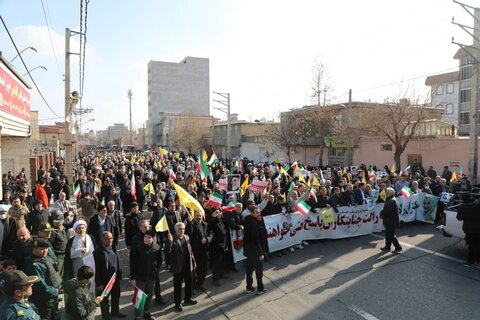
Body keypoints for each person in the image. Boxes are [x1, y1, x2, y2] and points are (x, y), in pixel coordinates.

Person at [24, 238, 62, 320]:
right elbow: (41, 287)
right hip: (44, 301)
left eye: (46, 248)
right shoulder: (34, 266)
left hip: (52, 297)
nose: (45, 251)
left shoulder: (46, 258)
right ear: (34, 249)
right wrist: (55, 291)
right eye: (42, 249)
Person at [165, 222, 197, 312]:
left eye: (183, 229)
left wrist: (193, 261)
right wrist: (169, 242)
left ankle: (188, 298)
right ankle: (178, 303)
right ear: (175, 230)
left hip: (188, 265)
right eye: (180, 229)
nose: (182, 230)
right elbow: (167, 252)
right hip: (178, 267)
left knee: (189, 283)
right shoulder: (172, 239)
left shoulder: (187, 237)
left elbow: (190, 250)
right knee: (178, 286)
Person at [130, 229, 161, 320]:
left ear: (153, 238)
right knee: (139, 298)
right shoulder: (138, 248)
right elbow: (133, 264)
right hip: (140, 278)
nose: (146, 239)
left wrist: (156, 270)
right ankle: (138, 316)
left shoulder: (157, 248)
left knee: (149, 296)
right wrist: (133, 278)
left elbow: (159, 261)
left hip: (151, 277)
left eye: (149, 237)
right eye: (145, 237)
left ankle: (147, 312)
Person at [93, 231, 125, 319]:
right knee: (104, 300)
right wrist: (98, 283)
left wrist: (119, 275)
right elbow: (96, 269)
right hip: (104, 281)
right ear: (102, 240)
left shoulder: (113, 247)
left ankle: (115, 311)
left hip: (114, 279)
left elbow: (117, 262)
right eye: (107, 239)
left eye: (111, 238)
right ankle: (106, 316)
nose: (110, 240)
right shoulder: (97, 252)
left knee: (116, 296)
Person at [243, 205, 266, 295]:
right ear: (252, 213)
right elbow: (256, 240)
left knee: (249, 269)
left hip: (248, 250)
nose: (259, 214)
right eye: (257, 212)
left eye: (259, 212)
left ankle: (249, 287)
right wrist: (260, 253)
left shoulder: (247, 219)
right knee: (259, 271)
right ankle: (260, 289)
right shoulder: (254, 225)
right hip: (255, 251)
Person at [186, 211, 209, 292]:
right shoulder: (191, 224)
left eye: (200, 216)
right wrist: (189, 222)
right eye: (197, 216)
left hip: (204, 250)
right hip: (195, 250)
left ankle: (201, 283)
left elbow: (210, 233)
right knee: (195, 270)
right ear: (194, 216)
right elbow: (189, 233)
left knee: (204, 268)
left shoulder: (205, 224)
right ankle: (194, 286)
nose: (199, 217)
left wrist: (207, 239)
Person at [456, 194, 480, 266]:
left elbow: (459, 218)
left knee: (471, 245)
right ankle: (478, 259)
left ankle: (471, 261)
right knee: (478, 244)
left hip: (469, 228)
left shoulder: (462, 207)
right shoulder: (478, 205)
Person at [206, 208, 228, 286]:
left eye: (219, 212)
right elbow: (211, 229)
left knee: (222, 261)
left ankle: (221, 273)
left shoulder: (219, 219)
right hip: (216, 246)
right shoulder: (211, 221)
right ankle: (215, 278)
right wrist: (216, 218)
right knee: (216, 262)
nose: (218, 213)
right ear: (212, 214)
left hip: (223, 244)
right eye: (216, 212)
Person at [379, 188, 402, 253]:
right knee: (388, 234)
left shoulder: (391, 201)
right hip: (389, 220)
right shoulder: (390, 199)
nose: (385, 193)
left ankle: (398, 247)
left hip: (391, 221)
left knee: (390, 235)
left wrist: (381, 212)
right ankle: (387, 246)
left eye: (387, 192)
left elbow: (387, 211)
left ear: (391, 193)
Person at [50, 212, 68, 278]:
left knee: (63, 271)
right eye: (56, 222)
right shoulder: (53, 232)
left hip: (64, 254)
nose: (58, 223)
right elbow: (50, 244)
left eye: (60, 221)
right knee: (58, 271)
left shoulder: (63, 229)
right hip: (58, 255)